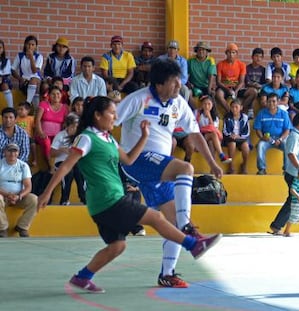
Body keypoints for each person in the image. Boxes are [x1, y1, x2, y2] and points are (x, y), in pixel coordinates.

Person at [37, 96, 221, 293]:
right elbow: (66, 166)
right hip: (108, 199)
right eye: (111, 113)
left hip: (102, 204)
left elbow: (129, 160)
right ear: (98, 115)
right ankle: (193, 245)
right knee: (157, 217)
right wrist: (47, 193)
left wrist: (144, 136)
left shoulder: (108, 138)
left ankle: (83, 277)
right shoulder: (86, 138)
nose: (115, 117)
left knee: (117, 246)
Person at [114, 59, 224, 288]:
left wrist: (213, 162)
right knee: (185, 168)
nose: (178, 86)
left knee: (171, 223)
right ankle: (188, 227)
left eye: (180, 82)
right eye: (174, 82)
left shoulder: (179, 103)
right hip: (137, 160)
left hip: (158, 169)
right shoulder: (138, 99)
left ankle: (167, 273)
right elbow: (110, 121)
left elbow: (194, 134)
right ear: (160, 83)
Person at [0, 143, 37, 238]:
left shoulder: (23, 166)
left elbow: (28, 187)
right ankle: (3, 228)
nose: (12, 154)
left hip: (18, 197)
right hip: (3, 195)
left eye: (15, 151)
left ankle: (22, 227)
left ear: (18, 153)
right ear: (4, 152)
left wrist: (19, 196)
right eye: (9, 151)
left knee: (34, 200)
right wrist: (8, 194)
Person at [50, 114, 86, 205]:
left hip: (75, 162)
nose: (75, 129)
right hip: (61, 162)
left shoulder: (80, 137)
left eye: (76, 127)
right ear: (67, 126)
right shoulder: (60, 136)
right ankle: (64, 199)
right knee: (68, 172)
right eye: (72, 126)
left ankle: (84, 198)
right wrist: (61, 150)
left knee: (80, 170)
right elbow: (52, 153)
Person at [254, 93, 291, 175]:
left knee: (287, 145)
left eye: (274, 101)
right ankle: (262, 169)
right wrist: (262, 137)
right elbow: (258, 129)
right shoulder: (261, 113)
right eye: (269, 101)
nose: (271, 103)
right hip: (267, 139)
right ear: (266, 102)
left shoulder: (284, 114)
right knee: (260, 145)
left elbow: (287, 130)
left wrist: (281, 139)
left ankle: (287, 170)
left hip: (280, 138)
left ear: (278, 102)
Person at [35, 86, 69, 171]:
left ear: (61, 95)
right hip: (43, 135)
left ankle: (61, 167)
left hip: (57, 135)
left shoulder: (65, 107)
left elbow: (67, 122)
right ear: (49, 95)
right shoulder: (43, 104)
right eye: (53, 94)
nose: (56, 96)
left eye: (58, 94)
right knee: (46, 143)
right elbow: (37, 120)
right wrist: (40, 132)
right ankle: (51, 166)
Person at [196, 95, 232, 164]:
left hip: (209, 138)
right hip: (200, 137)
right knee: (213, 134)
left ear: (212, 105)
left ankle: (212, 169)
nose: (207, 106)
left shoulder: (215, 117)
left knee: (211, 143)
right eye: (205, 104)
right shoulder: (197, 114)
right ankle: (221, 155)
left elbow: (212, 128)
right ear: (202, 105)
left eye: (209, 104)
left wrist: (209, 116)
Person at [11, 35, 43, 106]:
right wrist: (19, 78)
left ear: (35, 46)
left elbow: (35, 71)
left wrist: (31, 57)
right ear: (25, 45)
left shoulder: (39, 56)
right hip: (24, 80)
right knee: (34, 88)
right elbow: (12, 70)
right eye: (28, 44)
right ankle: (32, 107)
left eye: (33, 45)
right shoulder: (20, 56)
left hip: (36, 80)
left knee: (34, 80)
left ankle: (28, 103)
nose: (30, 46)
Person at [215, 43, 246, 113]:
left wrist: (236, 91)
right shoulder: (220, 64)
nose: (231, 55)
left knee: (252, 92)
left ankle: (240, 111)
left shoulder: (242, 65)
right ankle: (230, 112)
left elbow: (242, 82)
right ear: (226, 53)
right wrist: (227, 89)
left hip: (236, 87)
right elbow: (218, 82)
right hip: (224, 87)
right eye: (229, 52)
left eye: (233, 52)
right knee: (218, 94)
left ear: (236, 54)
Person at [222, 98, 250, 174]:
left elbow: (247, 132)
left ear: (241, 107)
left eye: (236, 107)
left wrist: (239, 136)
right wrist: (231, 135)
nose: (234, 109)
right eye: (232, 107)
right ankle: (230, 166)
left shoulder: (245, 117)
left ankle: (244, 165)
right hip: (230, 138)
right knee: (232, 144)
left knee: (245, 147)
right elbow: (225, 130)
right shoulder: (227, 117)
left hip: (241, 138)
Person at [187, 41, 217, 108]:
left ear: (207, 51)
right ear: (196, 51)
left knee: (212, 96)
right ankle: (195, 112)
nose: (201, 51)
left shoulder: (211, 61)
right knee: (188, 94)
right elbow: (186, 74)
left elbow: (211, 75)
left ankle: (214, 116)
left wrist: (209, 89)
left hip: (206, 86)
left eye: (203, 49)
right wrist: (188, 83)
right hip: (194, 86)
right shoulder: (190, 60)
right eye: (199, 49)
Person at [242, 47, 266, 119]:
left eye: (260, 57)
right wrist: (254, 85)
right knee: (254, 91)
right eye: (256, 56)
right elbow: (247, 81)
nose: (258, 58)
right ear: (252, 57)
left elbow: (264, 83)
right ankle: (248, 110)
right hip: (249, 89)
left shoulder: (263, 69)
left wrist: (260, 86)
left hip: (260, 89)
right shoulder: (247, 68)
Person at [16, 102, 37, 166]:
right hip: (18, 137)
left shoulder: (31, 118)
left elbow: (35, 128)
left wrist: (34, 136)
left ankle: (35, 159)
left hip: (29, 137)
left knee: (33, 144)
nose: (19, 111)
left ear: (28, 110)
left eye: (22, 109)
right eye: (18, 109)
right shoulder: (16, 118)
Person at [0, 40, 14, 108]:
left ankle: (10, 108)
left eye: (0, 48)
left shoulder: (6, 61)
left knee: (5, 84)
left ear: (3, 49)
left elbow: (6, 73)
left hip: (3, 80)